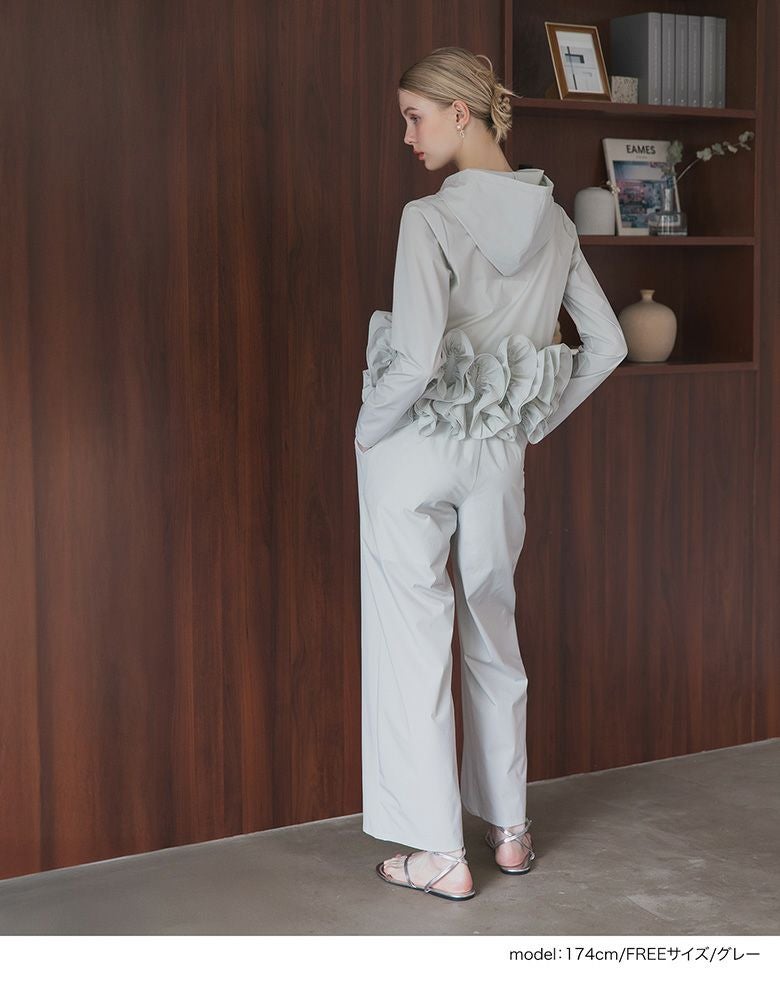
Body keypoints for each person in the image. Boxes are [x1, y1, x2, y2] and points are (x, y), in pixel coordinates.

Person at [354, 47, 628, 901]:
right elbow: (608, 345)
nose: (408, 136)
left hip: (416, 446)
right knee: (493, 632)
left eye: (415, 116)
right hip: (498, 455)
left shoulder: (429, 217)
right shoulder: (557, 224)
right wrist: (530, 418)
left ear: (461, 112)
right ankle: (509, 830)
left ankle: (440, 855)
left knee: (411, 642)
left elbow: (415, 357)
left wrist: (366, 432)